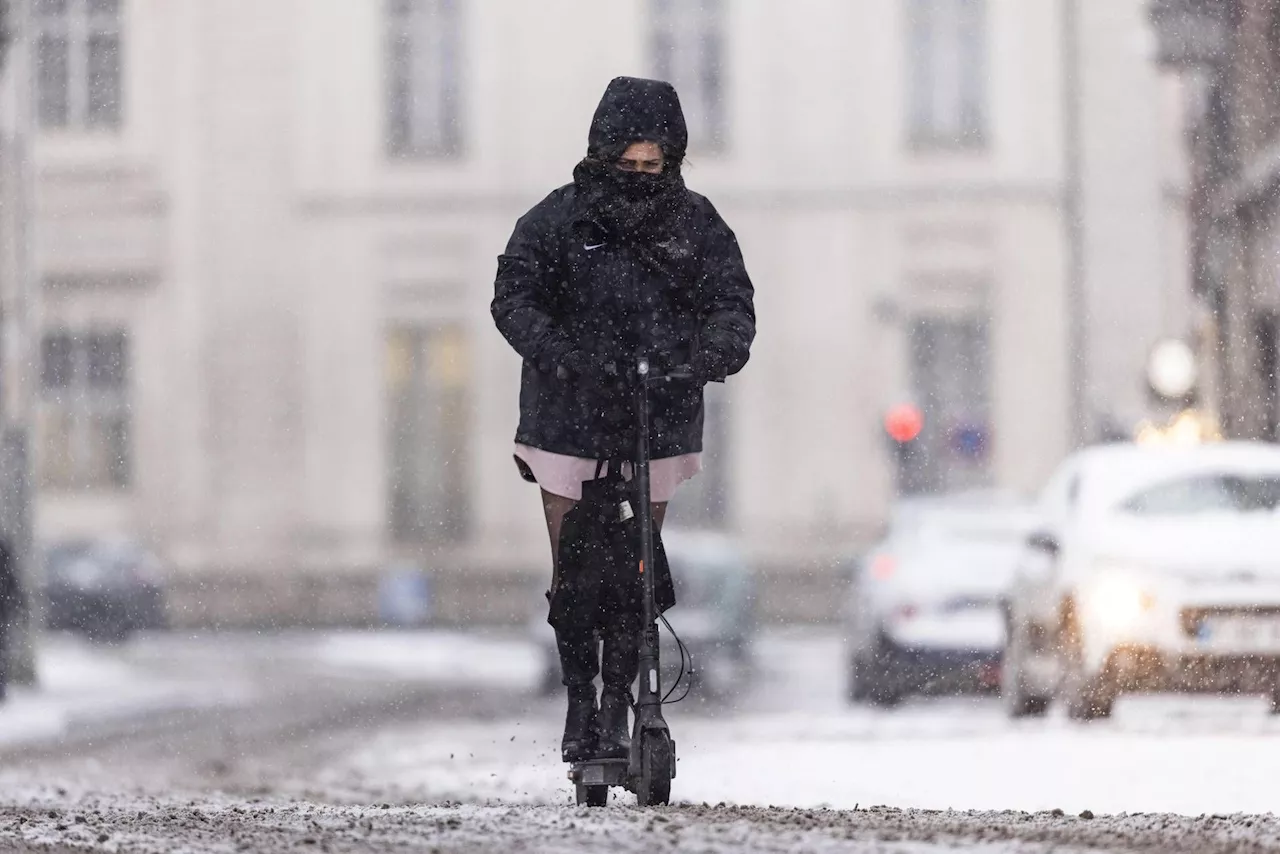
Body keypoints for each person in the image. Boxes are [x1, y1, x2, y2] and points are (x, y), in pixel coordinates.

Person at [491, 76, 756, 763]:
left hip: (655, 418)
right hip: (566, 419)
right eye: (626, 166)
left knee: (637, 572)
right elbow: (514, 297)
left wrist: (700, 359)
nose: (639, 179)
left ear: (672, 161)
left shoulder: (696, 225)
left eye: (653, 167)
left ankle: (619, 700)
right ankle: (581, 700)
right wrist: (565, 357)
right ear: (601, 156)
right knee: (573, 571)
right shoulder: (556, 222)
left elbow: (731, 305)